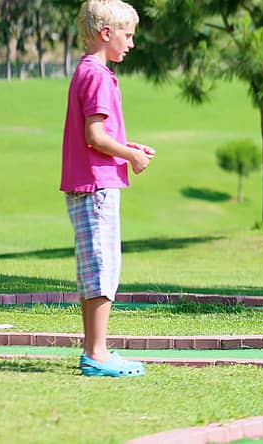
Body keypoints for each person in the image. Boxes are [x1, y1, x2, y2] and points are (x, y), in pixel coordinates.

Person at [60, 0, 155, 377]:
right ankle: (96, 354)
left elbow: (99, 135)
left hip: (90, 183)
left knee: (94, 268)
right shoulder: (98, 75)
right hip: (97, 186)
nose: (130, 43)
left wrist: (128, 146)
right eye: (127, 35)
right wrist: (131, 158)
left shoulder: (87, 71)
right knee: (102, 268)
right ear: (106, 34)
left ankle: (95, 349)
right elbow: (95, 136)